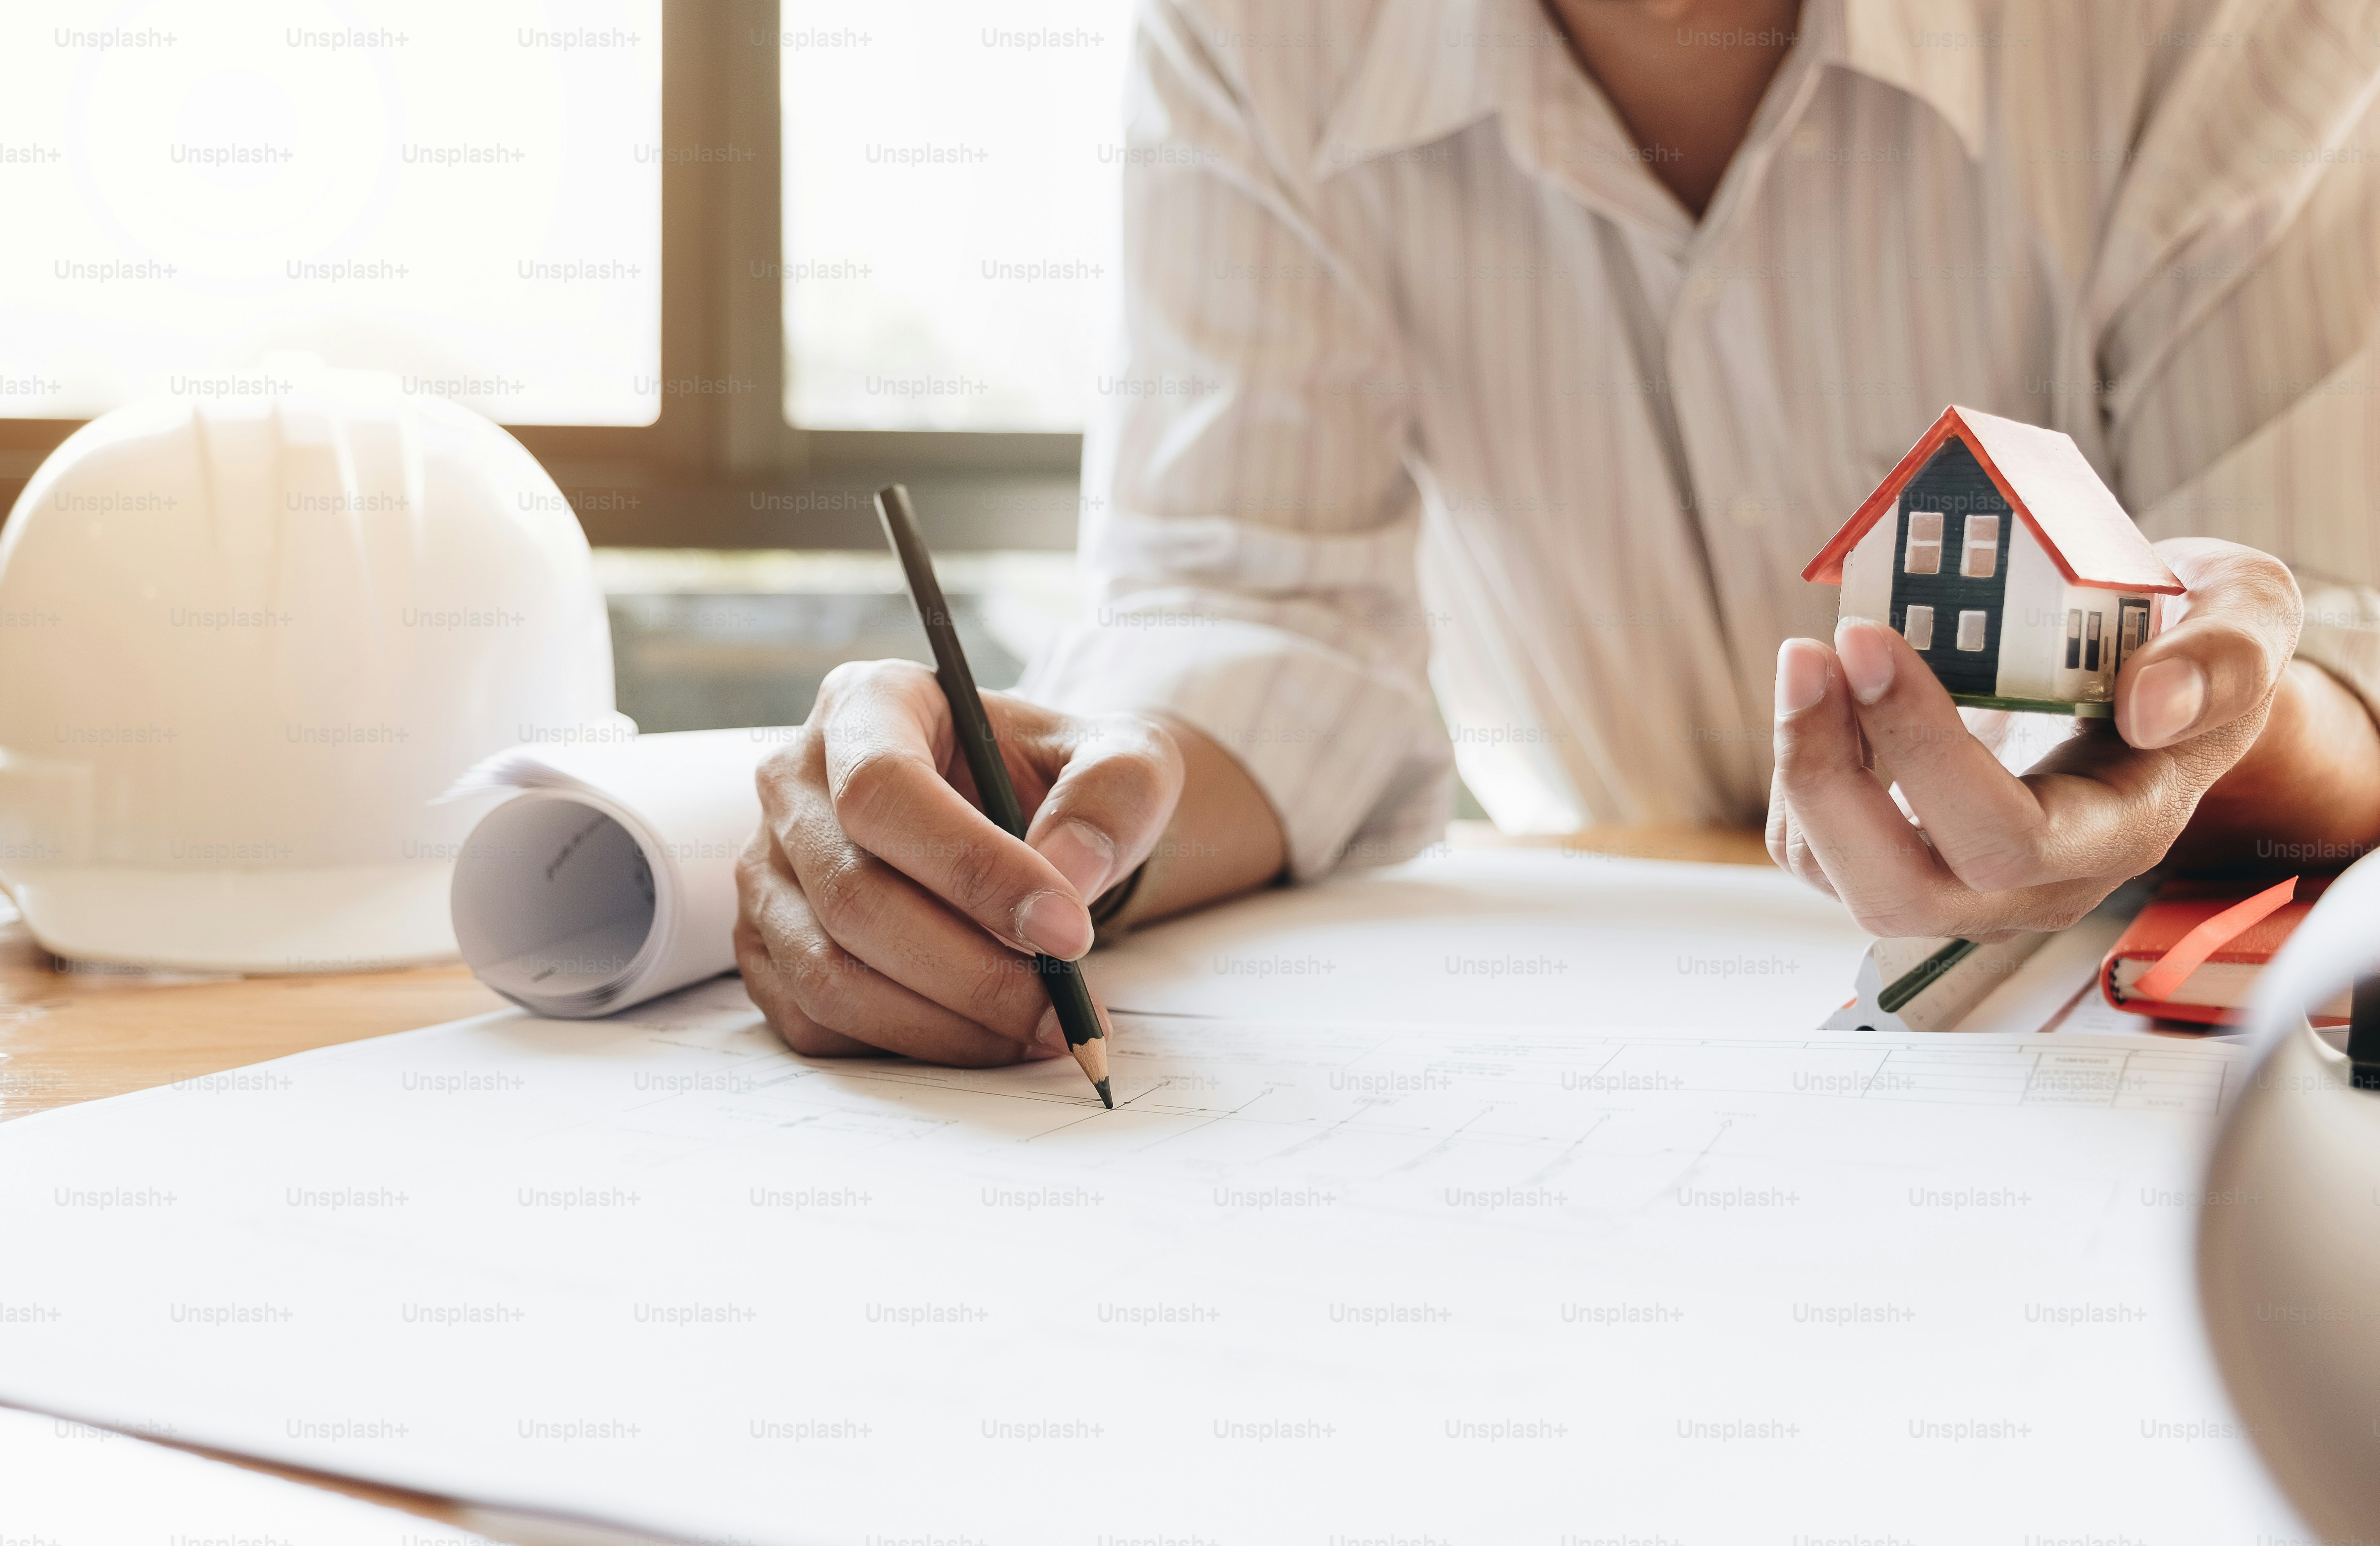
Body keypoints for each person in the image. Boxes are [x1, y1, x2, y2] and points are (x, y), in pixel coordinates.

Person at [735, 0, 2380, 1064]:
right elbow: (1256, 608)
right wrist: (1082, 806)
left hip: (2123, 1037)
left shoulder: (2232, 30)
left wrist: (2195, 723)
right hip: (1638, 1020)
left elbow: (2328, 645)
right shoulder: (1259, 35)